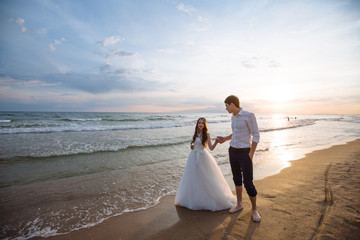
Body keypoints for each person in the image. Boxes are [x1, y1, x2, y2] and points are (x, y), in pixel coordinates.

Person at [175, 117, 236, 211]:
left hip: (202, 157)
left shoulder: (207, 134)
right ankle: (194, 198)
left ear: (205, 125)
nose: (200, 124)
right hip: (193, 157)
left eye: (202, 123)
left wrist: (216, 142)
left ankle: (206, 198)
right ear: (197, 124)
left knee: (205, 178)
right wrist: (192, 146)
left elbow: (211, 148)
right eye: (199, 122)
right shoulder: (195, 133)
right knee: (193, 178)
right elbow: (195, 144)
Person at [217, 95, 261, 222]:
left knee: (248, 183)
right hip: (233, 151)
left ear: (232, 104)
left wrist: (251, 153)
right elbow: (236, 133)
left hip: (245, 153)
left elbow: (256, 135)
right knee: (237, 179)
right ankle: (239, 204)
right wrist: (225, 139)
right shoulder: (233, 118)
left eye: (226, 106)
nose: (226, 108)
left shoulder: (249, 115)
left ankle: (254, 209)